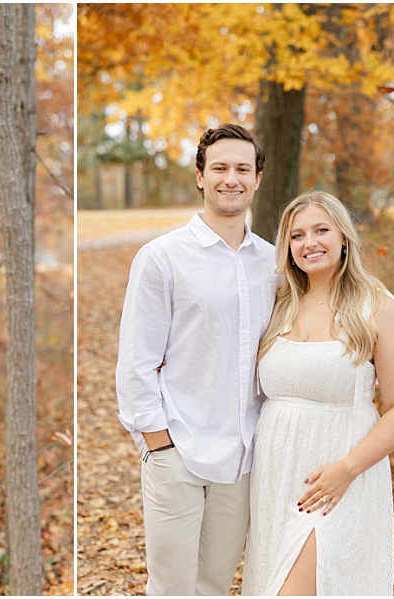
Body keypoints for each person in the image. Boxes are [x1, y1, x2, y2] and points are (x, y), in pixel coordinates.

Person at [115, 123, 279, 595]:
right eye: (220, 168)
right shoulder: (162, 257)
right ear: (201, 177)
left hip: (244, 455)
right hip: (178, 450)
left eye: (242, 169)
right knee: (171, 588)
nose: (232, 178)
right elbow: (136, 362)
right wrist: (158, 444)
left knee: (214, 584)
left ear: (257, 178)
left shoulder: (271, 262)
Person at [242, 191, 394, 595]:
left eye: (321, 230)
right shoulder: (279, 303)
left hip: (339, 476)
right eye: (297, 235)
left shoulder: (376, 307)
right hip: (276, 475)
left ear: (344, 238)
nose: (310, 243)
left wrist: (349, 468)